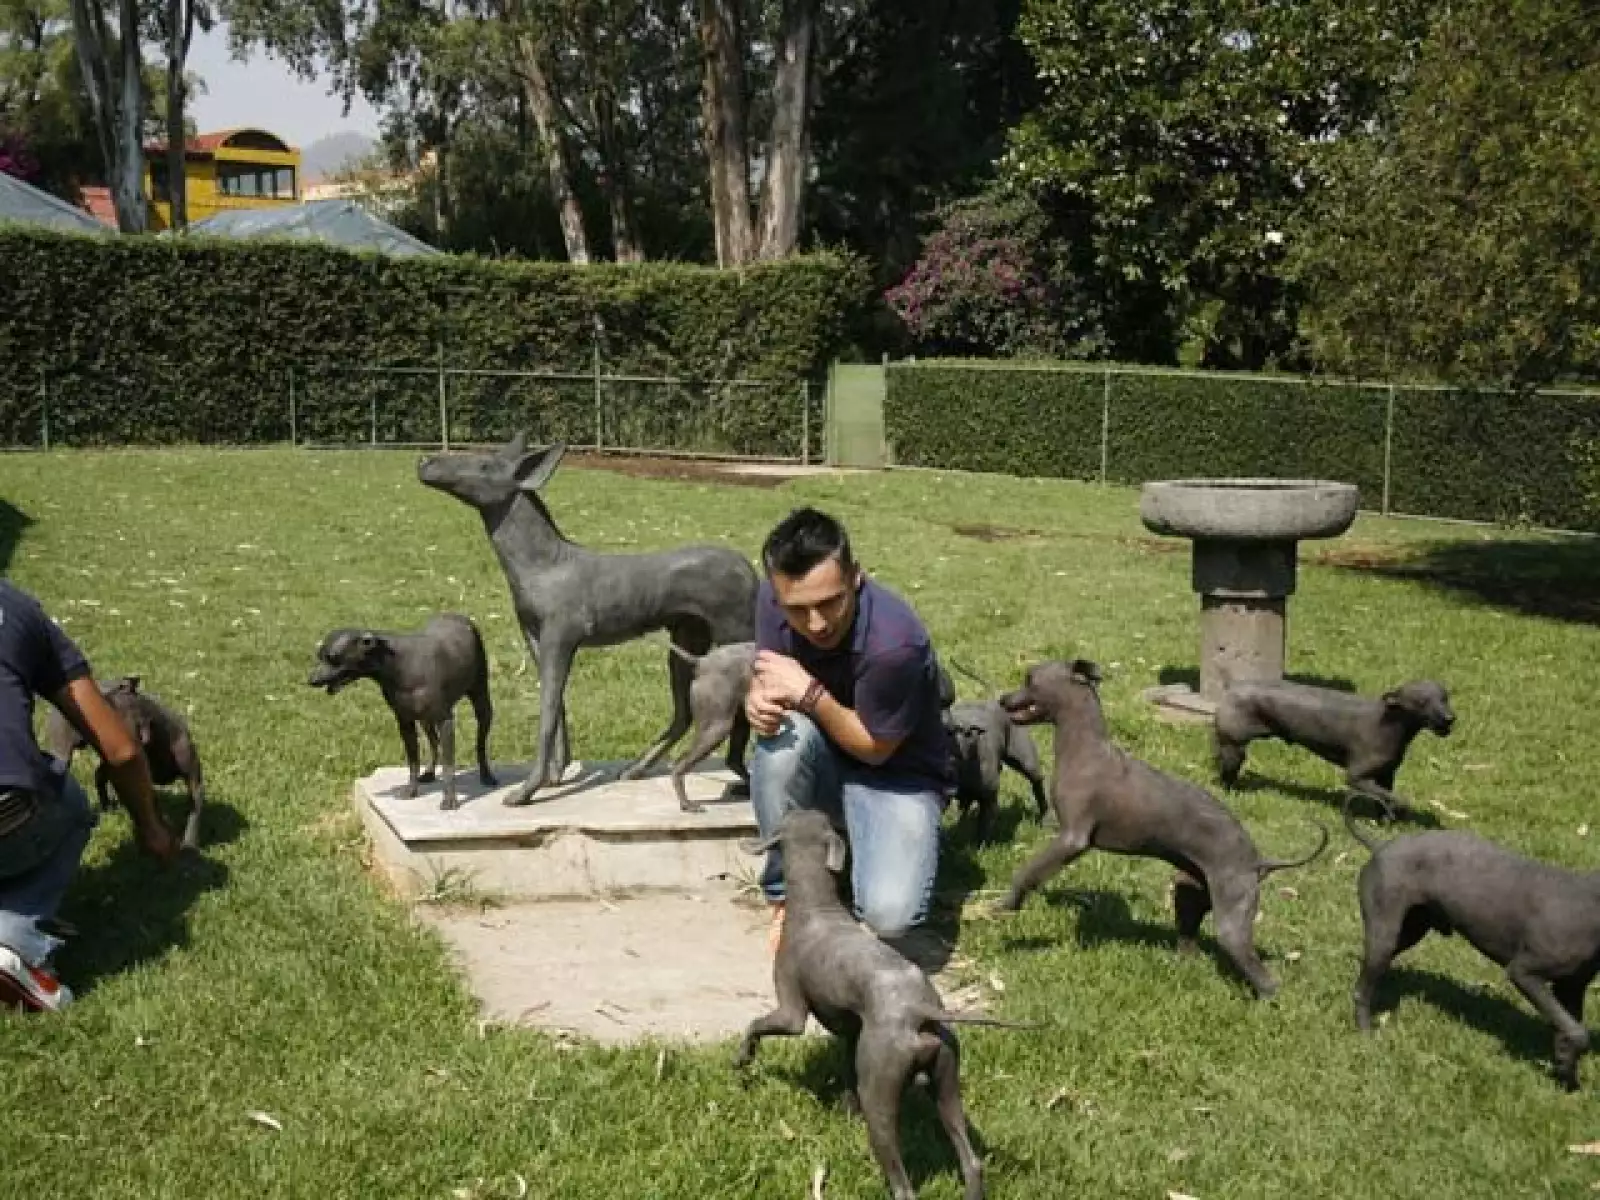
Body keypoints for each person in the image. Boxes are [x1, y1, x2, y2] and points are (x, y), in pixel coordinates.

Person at [745, 507, 954, 950]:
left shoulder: (894, 643)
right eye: (797, 610)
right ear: (777, 595)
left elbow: (876, 750)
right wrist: (757, 701)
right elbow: (767, 678)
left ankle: (862, 843)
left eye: (830, 602)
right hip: (824, 761)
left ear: (856, 577)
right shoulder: (771, 598)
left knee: (890, 916)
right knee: (781, 740)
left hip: (898, 776)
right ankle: (788, 896)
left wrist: (811, 695)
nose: (816, 623)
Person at [0, 580, 178, 1012]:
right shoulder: (17, 609)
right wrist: (151, 826)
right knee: (70, 802)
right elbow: (120, 750)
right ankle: (13, 939)